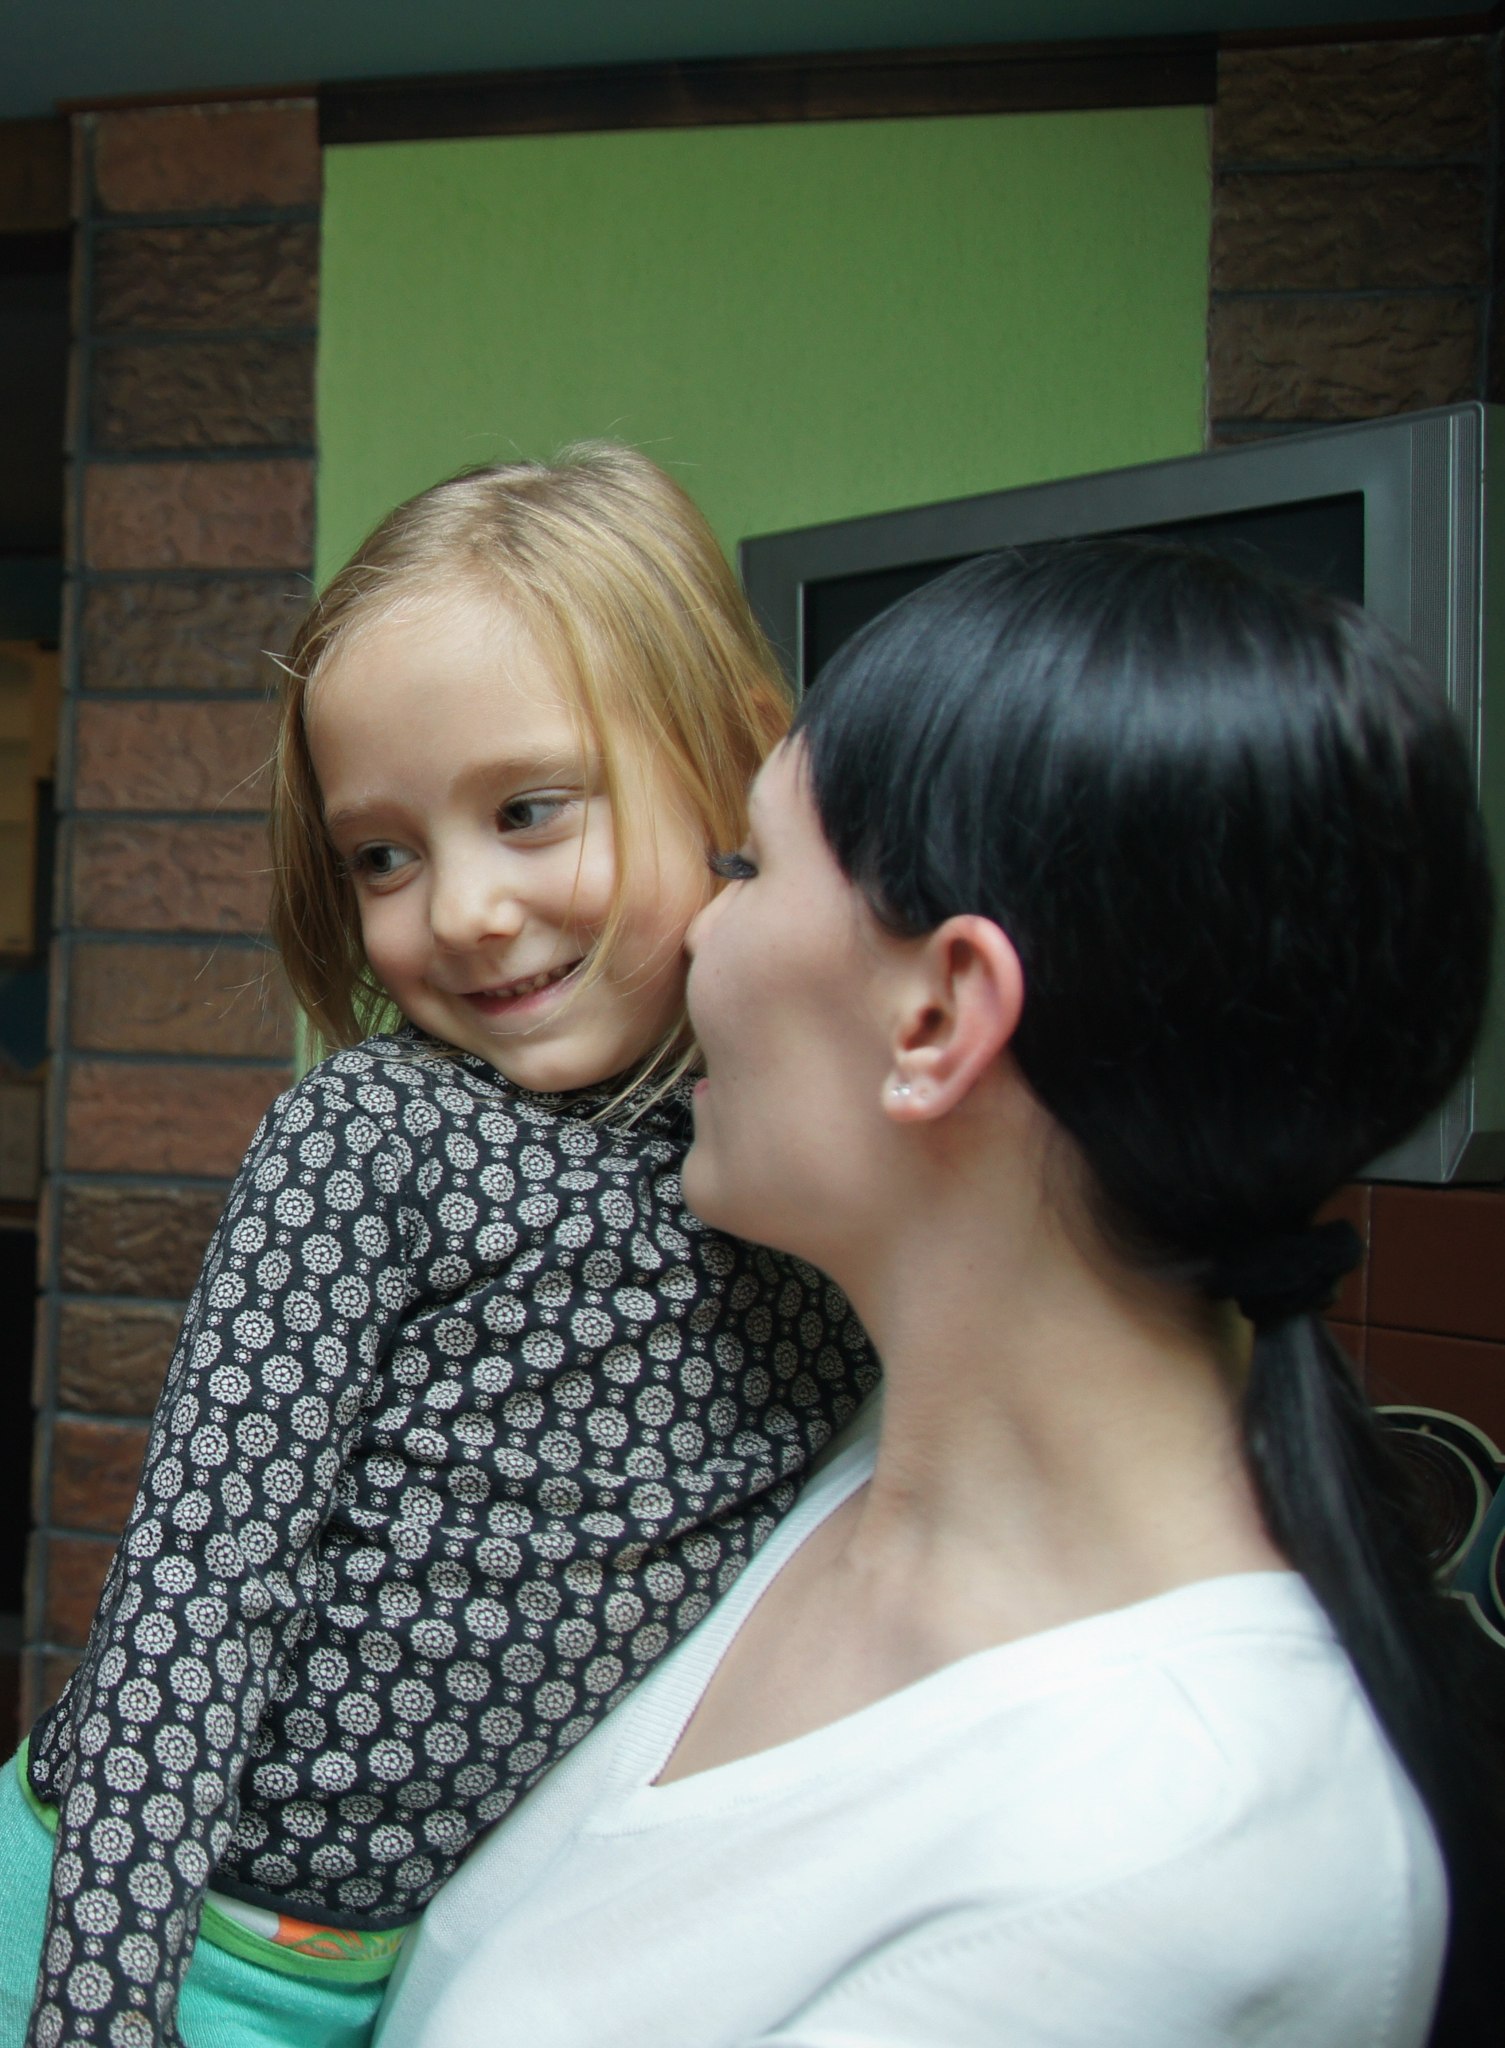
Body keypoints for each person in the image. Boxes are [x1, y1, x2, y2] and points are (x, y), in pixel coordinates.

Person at [376, 539, 1500, 2048]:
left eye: (747, 868)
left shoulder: (1179, 1856)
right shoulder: (795, 1456)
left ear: (937, 1015)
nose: (693, 928)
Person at [0, 445, 876, 2048]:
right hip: (111, 1927)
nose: (461, 909)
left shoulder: (794, 1167)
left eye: (529, 811)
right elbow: (193, 1599)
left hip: (384, 1976)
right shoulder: (376, 1133)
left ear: (738, 765)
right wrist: (97, 2008)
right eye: (383, 857)